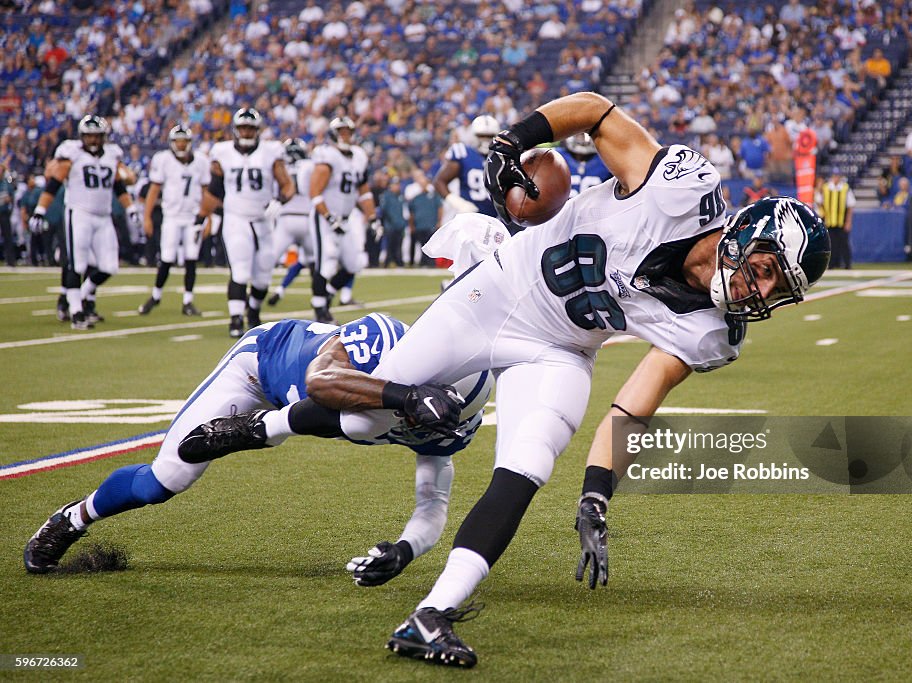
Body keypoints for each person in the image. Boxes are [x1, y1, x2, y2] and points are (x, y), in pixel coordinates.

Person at [198, 92, 831, 667]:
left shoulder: (712, 333)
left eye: (781, 289)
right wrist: (511, 141)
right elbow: (596, 111)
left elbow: (634, 406)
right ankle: (264, 426)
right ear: (748, 233)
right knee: (367, 414)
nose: (763, 289)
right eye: (768, 268)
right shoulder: (678, 190)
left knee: (529, 462)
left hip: (561, 348)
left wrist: (596, 494)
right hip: (498, 292)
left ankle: (432, 615)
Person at [24, 314, 488, 577]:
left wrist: (405, 550)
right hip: (258, 366)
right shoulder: (387, 342)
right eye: (426, 404)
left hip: (291, 411)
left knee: (359, 424)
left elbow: (433, 503)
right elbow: (320, 387)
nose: (425, 421)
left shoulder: (445, 429)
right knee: (167, 477)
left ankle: (258, 426)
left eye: (440, 418)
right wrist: (404, 395)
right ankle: (73, 517)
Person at [29, 115, 140, 330]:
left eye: (96, 136)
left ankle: (82, 294)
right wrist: (40, 210)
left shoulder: (111, 155)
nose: (93, 140)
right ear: (82, 136)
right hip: (79, 213)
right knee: (76, 264)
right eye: (89, 136)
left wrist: (131, 208)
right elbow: (53, 183)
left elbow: (120, 186)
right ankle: (76, 312)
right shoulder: (72, 154)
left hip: (104, 215)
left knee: (110, 266)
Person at [196, 108, 296, 337]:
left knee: (263, 275)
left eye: (251, 128)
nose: (247, 132)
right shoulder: (222, 152)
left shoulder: (271, 152)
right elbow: (214, 190)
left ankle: (253, 311)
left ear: (258, 130)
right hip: (236, 217)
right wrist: (200, 217)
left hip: (263, 219)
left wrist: (279, 202)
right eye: (243, 128)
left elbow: (288, 185)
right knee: (240, 270)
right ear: (236, 129)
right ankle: (235, 319)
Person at [137, 124, 212, 317]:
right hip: (171, 216)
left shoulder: (201, 162)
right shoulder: (164, 160)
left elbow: (206, 193)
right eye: (177, 141)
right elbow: (154, 189)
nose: (180, 145)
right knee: (167, 258)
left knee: (191, 258)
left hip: (194, 218)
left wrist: (209, 218)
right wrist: (146, 216)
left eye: (183, 141)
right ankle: (156, 295)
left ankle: (188, 301)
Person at [307, 116, 379, 316]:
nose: (345, 136)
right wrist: (329, 217)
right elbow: (314, 192)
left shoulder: (359, 156)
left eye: (348, 132)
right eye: (341, 132)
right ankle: (320, 309)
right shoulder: (327, 155)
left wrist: (372, 217)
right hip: (325, 217)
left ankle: (328, 293)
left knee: (354, 263)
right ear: (333, 135)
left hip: (346, 219)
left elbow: (364, 192)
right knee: (326, 262)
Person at [265, 139, 322, 319]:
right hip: (306, 218)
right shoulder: (311, 165)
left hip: (286, 218)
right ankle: (320, 302)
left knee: (267, 260)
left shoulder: (279, 166)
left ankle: (252, 302)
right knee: (314, 263)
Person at [432, 115, 500, 217]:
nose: (485, 140)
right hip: (471, 216)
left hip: (498, 217)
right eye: (481, 136)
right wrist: (459, 203)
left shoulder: (501, 156)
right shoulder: (463, 153)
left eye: (489, 136)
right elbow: (439, 181)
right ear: (473, 135)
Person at [406, 169, 445, 266]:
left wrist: (439, 221)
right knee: (422, 245)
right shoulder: (416, 197)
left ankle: (430, 263)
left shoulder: (434, 195)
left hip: (430, 224)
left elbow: (440, 208)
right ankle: (423, 262)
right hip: (419, 225)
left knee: (430, 244)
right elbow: (411, 212)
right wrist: (411, 225)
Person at [819, 168, 855, 269]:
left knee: (844, 243)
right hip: (829, 221)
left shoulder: (845, 188)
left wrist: (848, 221)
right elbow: (819, 201)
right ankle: (832, 264)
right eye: (834, 176)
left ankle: (847, 264)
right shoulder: (825, 187)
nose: (835, 178)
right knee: (831, 244)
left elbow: (850, 205)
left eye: (837, 176)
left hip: (841, 221)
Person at [556, 132, 612, 196]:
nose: (583, 139)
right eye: (579, 135)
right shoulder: (556, 156)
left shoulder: (606, 159)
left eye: (587, 134)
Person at [378, 176, 407, 268]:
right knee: (390, 245)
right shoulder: (386, 196)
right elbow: (384, 210)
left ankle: (399, 263)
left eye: (398, 185)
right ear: (390, 186)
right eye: (395, 184)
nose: (397, 187)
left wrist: (402, 223)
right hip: (390, 225)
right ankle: (387, 263)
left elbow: (404, 211)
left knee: (398, 245)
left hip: (400, 225)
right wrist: (392, 221)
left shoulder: (401, 196)